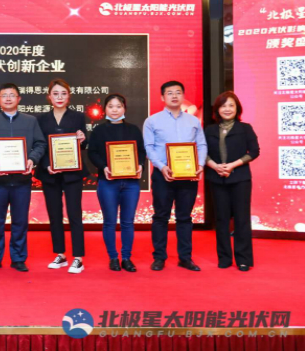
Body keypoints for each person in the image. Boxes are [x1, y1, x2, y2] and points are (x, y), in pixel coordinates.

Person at [143, 80, 207, 272]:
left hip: (188, 176)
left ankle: (185, 258)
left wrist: (200, 165)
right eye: (169, 93)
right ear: (162, 97)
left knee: (185, 217)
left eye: (178, 92)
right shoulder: (152, 121)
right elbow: (149, 148)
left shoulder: (193, 121)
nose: (174, 96)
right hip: (163, 176)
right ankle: (159, 257)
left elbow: (201, 145)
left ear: (183, 96)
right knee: (160, 217)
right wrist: (162, 167)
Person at [0, 83, 47, 272]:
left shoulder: (30, 121)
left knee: (20, 221)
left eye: (12, 95)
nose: (8, 98)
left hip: (22, 181)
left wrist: (32, 159)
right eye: (4, 95)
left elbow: (40, 144)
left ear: (19, 99)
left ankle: (18, 258)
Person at [88, 94, 146, 272]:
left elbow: (141, 151)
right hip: (108, 182)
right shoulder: (99, 131)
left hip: (130, 183)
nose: (115, 110)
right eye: (111, 106)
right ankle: (113, 257)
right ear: (105, 109)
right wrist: (104, 167)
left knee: (128, 222)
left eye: (118, 106)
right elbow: (92, 153)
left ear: (124, 109)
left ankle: (126, 258)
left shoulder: (133, 130)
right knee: (110, 222)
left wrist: (140, 165)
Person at [35, 79, 88, 274]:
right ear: (49, 97)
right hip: (49, 173)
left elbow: (83, 144)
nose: (59, 97)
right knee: (54, 215)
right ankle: (60, 254)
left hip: (72, 173)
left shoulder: (78, 117)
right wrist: (46, 165)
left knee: (74, 214)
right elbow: (39, 145)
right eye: (55, 94)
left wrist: (82, 139)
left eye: (63, 94)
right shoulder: (41, 119)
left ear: (69, 96)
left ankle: (78, 257)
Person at [205, 91, 259, 272]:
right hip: (216, 178)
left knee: (241, 219)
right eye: (223, 106)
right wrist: (215, 166)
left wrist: (232, 165)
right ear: (217, 109)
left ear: (237, 108)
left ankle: (243, 259)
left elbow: (254, 151)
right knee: (221, 219)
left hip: (240, 179)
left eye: (231, 105)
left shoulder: (245, 128)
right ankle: (224, 258)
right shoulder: (209, 130)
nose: (227, 109)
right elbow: (202, 152)